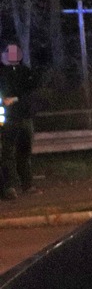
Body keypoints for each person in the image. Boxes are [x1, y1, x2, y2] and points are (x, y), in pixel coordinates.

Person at [0, 43, 38, 199]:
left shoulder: (24, 72)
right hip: (9, 118)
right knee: (8, 153)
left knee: (23, 153)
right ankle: (10, 187)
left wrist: (15, 99)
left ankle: (26, 185)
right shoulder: (3, 73)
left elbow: (30, 91)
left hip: (23, 117)